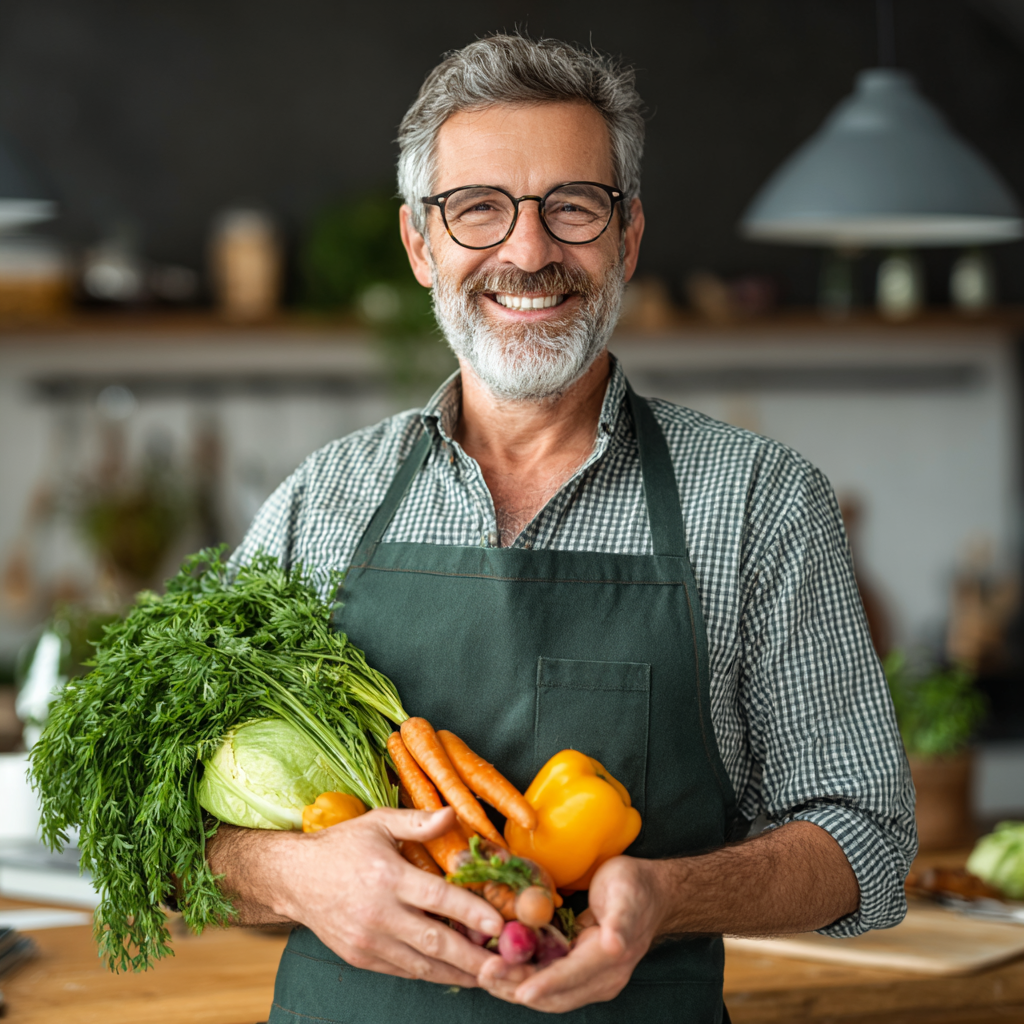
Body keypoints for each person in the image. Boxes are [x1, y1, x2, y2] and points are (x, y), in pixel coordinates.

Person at [213, 33, 916, 1023]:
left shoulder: (759, 502)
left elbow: (867, 836)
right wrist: (295, 877)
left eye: (572, 208)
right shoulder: (320, 501)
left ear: (626, 236)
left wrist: (671, 894)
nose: (529, 251)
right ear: (421, 245)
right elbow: (168, 829)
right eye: (478, 209)